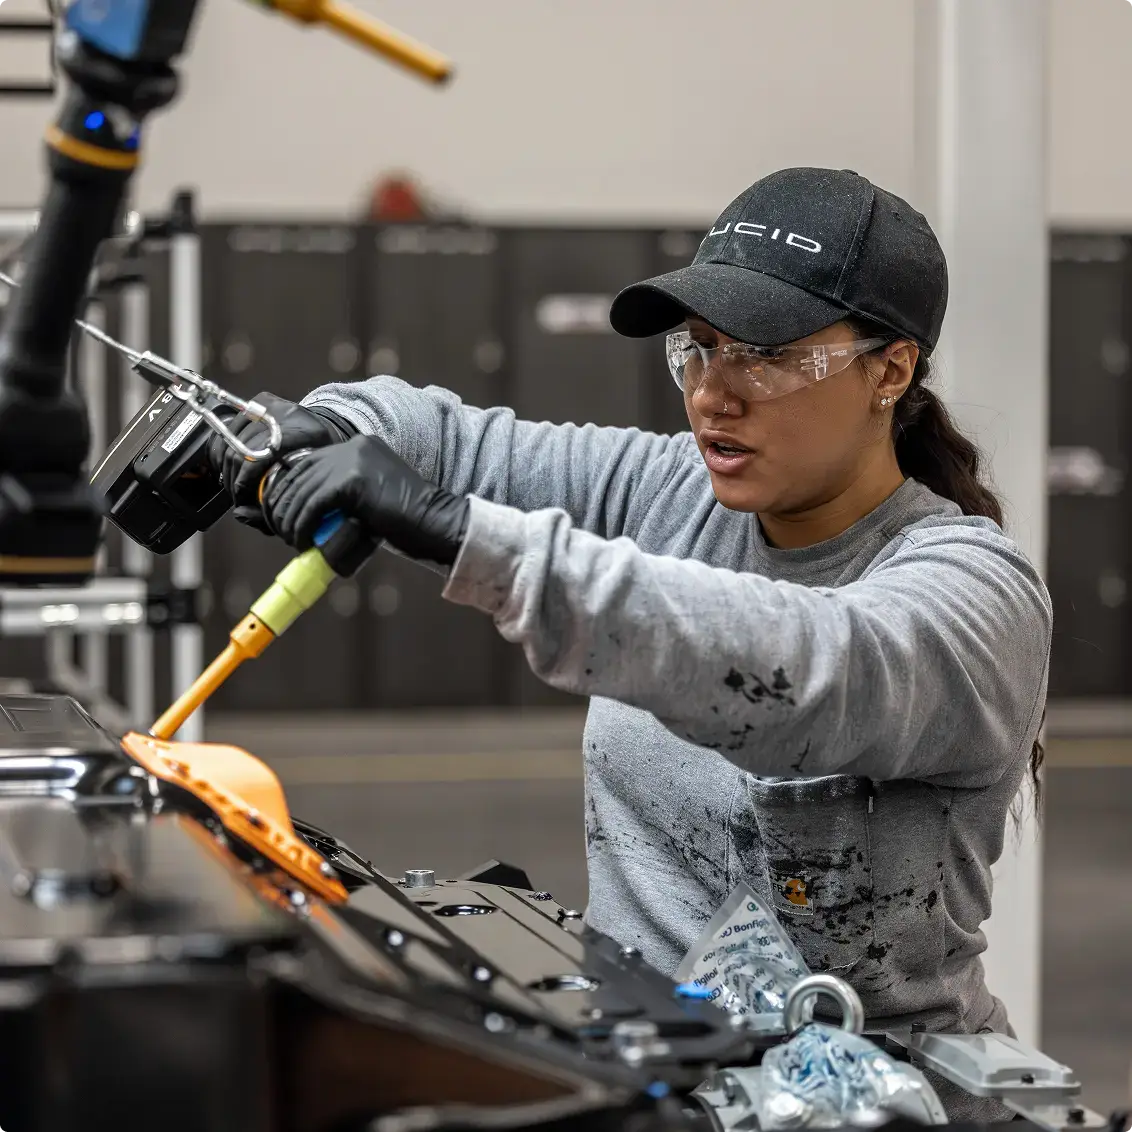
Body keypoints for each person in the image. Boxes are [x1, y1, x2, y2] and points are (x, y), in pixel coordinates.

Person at [212, 167, 1051, 1120]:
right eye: (699, 350)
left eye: (768, 356)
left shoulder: (975, 591)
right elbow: (445, 436)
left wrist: (457, 530)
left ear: (889, 370)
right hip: (651, 1078)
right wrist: (324, 428)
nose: (714, 396)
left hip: (879, 1097)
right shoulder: (671, 490)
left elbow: (799, 673)